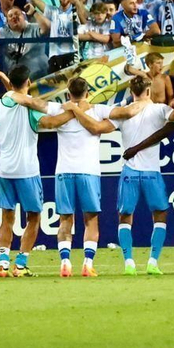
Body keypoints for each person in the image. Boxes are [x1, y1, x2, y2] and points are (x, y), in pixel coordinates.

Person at [0, 65, 62, 277]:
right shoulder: (31, 108)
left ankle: (3, 264)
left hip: (4, 169)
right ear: (29, 82)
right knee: (34, 216)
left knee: (7, 216)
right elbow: (51, 122)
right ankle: (21, 264)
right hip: (27, 170)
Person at [48, 77, 121, 278]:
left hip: (64, 171)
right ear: (87, 93)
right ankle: (88, 263)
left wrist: (71, 109)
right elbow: (119, 116)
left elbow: (39, 112)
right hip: (88, 172)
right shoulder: (97, 111)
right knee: (91, 220)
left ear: (68, 93)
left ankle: (65, 262)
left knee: (65, 219)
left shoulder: (59, 110)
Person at [109, 75, 172, 275]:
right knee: (160, 214)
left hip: (130, 171)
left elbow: (101, 127)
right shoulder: (160, 110)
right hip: (151, 171)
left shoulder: (123, 113)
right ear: (148, 91)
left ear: (131, 92)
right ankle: (153, 261)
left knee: (125, 216)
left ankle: (129, 262)